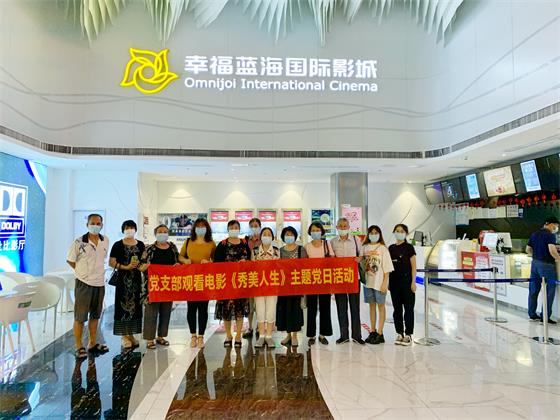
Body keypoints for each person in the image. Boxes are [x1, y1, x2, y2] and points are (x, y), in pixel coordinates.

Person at [66, 213, 110, 359]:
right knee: (80, 317)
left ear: (102, 225)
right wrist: (82, 273)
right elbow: (70, 260)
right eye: (92, 223)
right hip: (84, 283)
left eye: (98, 223)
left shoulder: (105, 240)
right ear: (87, 225)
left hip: (99, 283)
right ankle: (79, 346)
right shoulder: (79, 242)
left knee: (96, 315)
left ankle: (92, 343)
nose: (95, 226)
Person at [139, 224, 179, 350]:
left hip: (168, 285)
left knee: (166, 312)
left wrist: (177, 265)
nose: (163, 233)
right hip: (152, 285)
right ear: (155, 234)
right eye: (160, 231)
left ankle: (161, 336)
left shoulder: (172, 248)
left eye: (165, 231)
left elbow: (177, 261)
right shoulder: (149, 249)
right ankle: (150, 339)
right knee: (151, 311)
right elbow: (140, 265)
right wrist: (145, 267)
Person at [179, 218, 216, 348]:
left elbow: (217, 261)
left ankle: (201, 336)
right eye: (198, 226)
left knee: (203, 309)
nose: (200, 228)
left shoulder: (211, 243)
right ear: (194, 228)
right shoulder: (188, 241)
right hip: (190, 279)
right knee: (191, 308)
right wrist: (185, 261)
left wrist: (209, 263)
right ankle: (193, 336)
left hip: (205, 280)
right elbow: (180, 256)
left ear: (207, 228)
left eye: (203, 226)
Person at [108, 220, 145, 349]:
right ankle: (124, 336)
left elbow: (144, 260)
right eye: (127, 228)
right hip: (122, 281)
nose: (130, 230)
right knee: (122, 307)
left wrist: (139, 265)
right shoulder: (118, 245)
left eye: (132, 227)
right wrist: (126, 267)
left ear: (135, 229)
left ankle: (131, 334)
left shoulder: (140, 244)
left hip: (136, 280)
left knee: (135, 307)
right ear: (123, 230)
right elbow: (111, 262)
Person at [214, 220, 251, 347]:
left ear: (239, 229)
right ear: (228, 229)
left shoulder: (244, 243)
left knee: (240, 309)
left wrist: (245, 263)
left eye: (236, 227)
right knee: (226, 310)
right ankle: (228, 335)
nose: (234, 229)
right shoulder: (222, 244)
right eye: (231, 227)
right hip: (226, 282)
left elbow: (250, 261)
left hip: (241, 282)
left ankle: (239, 335)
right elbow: (216, 264)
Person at [330, 217, 364, 345]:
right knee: (341, 307)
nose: (343, 228)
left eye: (345, 226)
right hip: (339, 279)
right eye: (340, 226)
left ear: (349, 227)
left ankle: (357, 336)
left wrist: (359, 259)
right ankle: (344, 335)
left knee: (355, 308)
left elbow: (361, 255)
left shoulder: (356, 240)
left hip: (354, 278)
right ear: (337, 228)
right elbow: (330, 259)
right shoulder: (332, 242)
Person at [361, 225, 394, 345]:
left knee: (381, 306)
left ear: (379, 234)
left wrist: (385, 283)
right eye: (371, 233)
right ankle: (373, 331)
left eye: (376, 233)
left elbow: (387, 269)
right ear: (368, 234)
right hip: (368, 283)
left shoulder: (383, 249)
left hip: (379, 283)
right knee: (371, 306)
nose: (374, 235)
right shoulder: (364, 247)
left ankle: (380, 333)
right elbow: (360, 262)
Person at [304, 221, 334, 345]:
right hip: (311, 281)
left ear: (321, 231)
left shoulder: (327, 244)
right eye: (313, 230)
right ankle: (311, 335)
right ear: (310, 232)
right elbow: (303, 264)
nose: (315, 232)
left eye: (317, 230)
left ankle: (323, 334)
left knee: (325, 307)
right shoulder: (307, 246)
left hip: (325, 281)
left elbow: (332, 260)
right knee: (311, 308)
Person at [277, 226, 306, 348]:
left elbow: (304, 266)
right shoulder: (280, 251)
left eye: (291, 234)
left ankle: (295, 336)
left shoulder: (301, 249)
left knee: (295, 310)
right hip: (284, 286)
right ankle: (288, 335)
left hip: (296, 286)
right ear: (283, 237)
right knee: (285, 310)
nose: (289, 236)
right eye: (286, 234)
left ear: (295, 236)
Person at [527, 216, 560, 323]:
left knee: (533, 289)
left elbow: (528, 249)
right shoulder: (550, 235)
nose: (556, 228)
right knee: (549, 291)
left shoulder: (534, 234)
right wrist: (558, 258)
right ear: (551, 224)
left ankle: (532, 314)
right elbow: (552, 250)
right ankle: (544, 317)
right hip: (547, 265)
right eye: (556, 225)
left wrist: (537, 255)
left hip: (535, 264)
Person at [251, 227, 281, 348]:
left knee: (270, 310)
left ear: (272, 237)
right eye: (264, 234)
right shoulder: (254, 251)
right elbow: (252, 268)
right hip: (258, 285)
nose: (266, 236)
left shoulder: (276, 251)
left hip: (272, 285)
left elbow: (278, 268)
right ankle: (261, 336)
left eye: (269, 234)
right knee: (260, 310)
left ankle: (269, 336)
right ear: (261, 236)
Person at [388, 224, 417, 346]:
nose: (399, 233)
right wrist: (388, 282)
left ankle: (409, 334)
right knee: (397, 309)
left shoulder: (409, 248)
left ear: (406, 233)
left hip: (407, 282)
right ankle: (399, 332)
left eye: (401, 231)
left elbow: (414, 266)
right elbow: (388, 266)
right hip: (394, 282)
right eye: (397, 231)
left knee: (408, 309)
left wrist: (413, 282)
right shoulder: (391, 248)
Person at [243, 217, 262, 339]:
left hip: (261, 276)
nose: (254, 228)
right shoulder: (245, 241)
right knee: (249, 303)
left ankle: (259, 327)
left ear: (260, 227)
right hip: (248, 276)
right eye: (252, 226)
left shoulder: (264, 239)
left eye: (256, 225)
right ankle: (250, 327)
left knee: (259, 303)